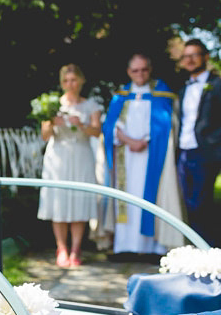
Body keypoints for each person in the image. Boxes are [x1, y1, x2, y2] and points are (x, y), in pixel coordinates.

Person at [101, 54, 184, 256]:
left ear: (150, 69)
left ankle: (153, 247)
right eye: (135, 70)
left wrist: (145, 140)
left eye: (144, 69)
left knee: (152, 197)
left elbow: (168, 124)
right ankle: (125, 246)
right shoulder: (121, 95)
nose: (140, 74)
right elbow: (110, 125)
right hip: (126, 158)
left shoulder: (162, 93)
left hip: (152, 156)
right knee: (127, 198)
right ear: (129, 72)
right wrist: (130, 141)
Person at [37, 64, 102, 267]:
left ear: (81, 81)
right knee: (59, 200)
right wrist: (51, 123)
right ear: (61, 83)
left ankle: (76, 249)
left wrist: (81, 124)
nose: (70, 84)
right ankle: (61, 248)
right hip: (58, 156)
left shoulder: (91, 105)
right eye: (66, 81)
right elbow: (44, 136)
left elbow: (97, 132)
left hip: (81, 155)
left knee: (79, 200)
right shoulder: (52, 104)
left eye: (74, 80)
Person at [176, 38, 221, 246]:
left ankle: (208, 249)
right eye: (186, 56)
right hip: (184, 151)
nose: (190, 60)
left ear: (205, 57)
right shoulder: (183, 88)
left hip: (206, 151)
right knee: (188, 203)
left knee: (201, 203)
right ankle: (196, 248)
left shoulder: (216, 85)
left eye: (194, 55)